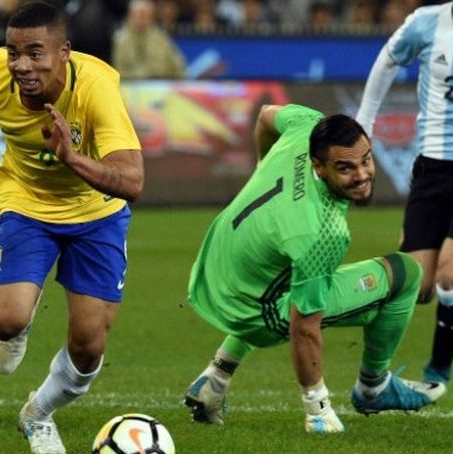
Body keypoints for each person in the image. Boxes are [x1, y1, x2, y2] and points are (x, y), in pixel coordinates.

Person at [183, 103, 445, 434]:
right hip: (249, 310)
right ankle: (374, 387)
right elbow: (304, 326)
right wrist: (317, 409)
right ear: (318, 167)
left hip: (213, 267)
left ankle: (215, 378)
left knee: (304, 284)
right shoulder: (321, 233)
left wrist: (264, 164)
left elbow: (265, 115)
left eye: (366, 160)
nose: (362, 175)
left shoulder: (307, 124)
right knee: (405, 274)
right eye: (345, 168)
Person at [0, 1, 143, 454]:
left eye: (35, 52)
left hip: (96, 214)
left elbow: (133, 182)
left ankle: (37, 414)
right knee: (8, 320)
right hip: (26, 203)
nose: (21, 65)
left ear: (64, 52)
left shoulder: (97, 87)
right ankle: (15, 325)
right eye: (13, 52)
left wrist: (71, 158)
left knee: (88, 347)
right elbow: (0, 71)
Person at [356, 2, 453, 386]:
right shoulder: (427, 23)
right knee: (418, 287)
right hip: (432, 168)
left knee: (449, 275)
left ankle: (437, 371)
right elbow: (388, 59)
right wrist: (365, 119)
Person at [111, 0, 186, 79]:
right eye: (138, 15)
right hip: (129, 85)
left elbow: (178, 66)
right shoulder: (120, 40)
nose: (141, 19)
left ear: (152, 17)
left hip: (159, 84)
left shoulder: (161, 38)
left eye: (144, 15)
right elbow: (118, 69)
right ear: (130, 16)